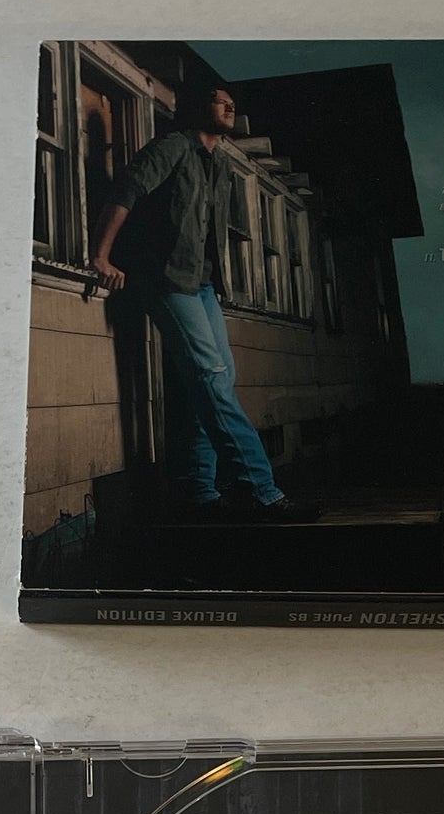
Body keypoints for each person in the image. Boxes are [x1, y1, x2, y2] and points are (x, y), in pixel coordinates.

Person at [89, 83, 314, 522]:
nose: (230, 106)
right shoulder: (173, 146)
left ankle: (197, 489)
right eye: (219, 100)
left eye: (233, 102)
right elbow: (126, 192)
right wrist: (102, 256)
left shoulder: (221, 163)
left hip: (204, 284)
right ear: (198, 107)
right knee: (211, 379)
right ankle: (260, 491)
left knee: (215, 379)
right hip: (168, 279)